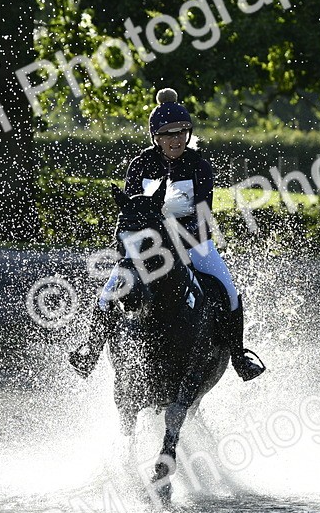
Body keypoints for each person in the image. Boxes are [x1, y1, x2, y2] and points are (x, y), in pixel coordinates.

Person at [69, 88, 266, 382]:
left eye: (181, 133)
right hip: (146, 246)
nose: (175, 139)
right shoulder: (140, 165)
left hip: (194, 242)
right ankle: (90, 351)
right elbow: (131, 212)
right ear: (156, 137)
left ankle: (239, 357)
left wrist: (173, 242)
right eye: (168, 134)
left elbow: (202, 218)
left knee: (228, 291)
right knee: (108, 292)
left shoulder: (199, 166)